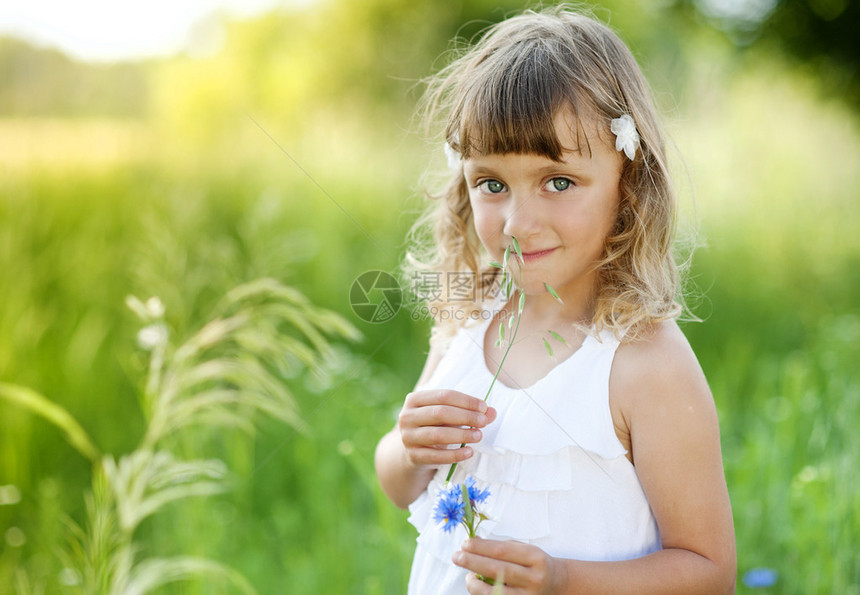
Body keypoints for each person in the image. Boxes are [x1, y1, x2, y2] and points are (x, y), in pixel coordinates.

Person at [375, 6, 736, 594]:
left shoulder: (646, 364)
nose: (519, 222)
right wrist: (407, 447)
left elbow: (709, 572)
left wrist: (565, 580)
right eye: (492, 184)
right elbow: (401, 486)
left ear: (629, 181)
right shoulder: (470, 315)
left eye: (558, 182)